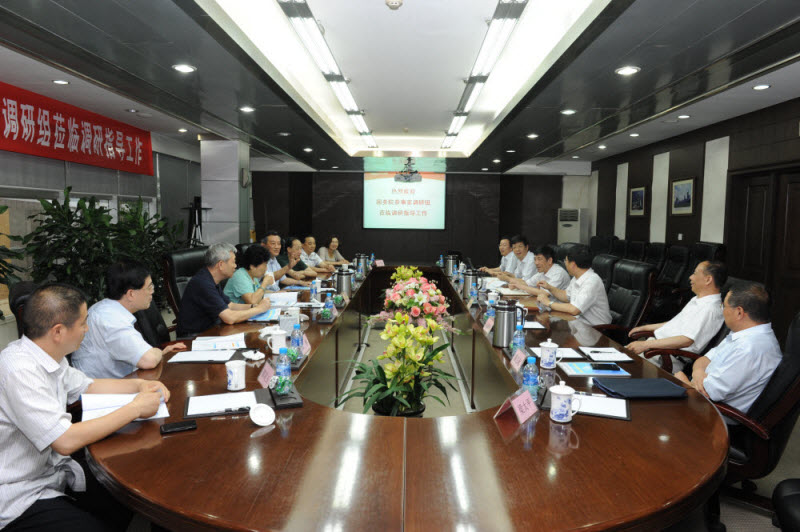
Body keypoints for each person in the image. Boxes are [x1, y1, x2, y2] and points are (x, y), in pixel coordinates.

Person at [0, 283, 170, 531]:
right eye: (83, 323)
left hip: (52, 473)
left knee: (139, 491)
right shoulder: (19, 370)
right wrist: (135, 408)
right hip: (18, 494)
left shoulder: (49, 356)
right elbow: (65, 440)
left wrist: (140, 385)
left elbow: (88, 385)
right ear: (58, 331)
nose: (87, 329)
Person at [675, 282, 781, 414]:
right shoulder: (744, 334)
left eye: (724, 306)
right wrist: (698, 373)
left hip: (712, 414)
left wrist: (682, 380)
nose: (722, 310)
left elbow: (707, 393)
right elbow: (705, 359)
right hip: (699, 398)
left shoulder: (749, 348)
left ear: (739, 312)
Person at [72, 261, 187, 379]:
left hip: (121, 382)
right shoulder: (110, 319)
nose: (152, 291)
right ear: (131, 294)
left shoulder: (105, 308)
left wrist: (160, 353)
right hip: (105, 389)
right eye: (149, 287)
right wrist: (157, 352)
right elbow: (149, 360)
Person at [626, 261, 727, 373]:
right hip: (655, 350)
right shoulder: (698, 300)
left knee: (616, 368)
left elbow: (686, 340)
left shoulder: (710, 309)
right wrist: (644, 328)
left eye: (695, 273)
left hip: (664, 358)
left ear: (708, 280)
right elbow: (674, 324)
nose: (690, 277)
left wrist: (645, 344)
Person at [176, 243, 271, 336]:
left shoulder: (211, 278)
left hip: (212, 329)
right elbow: (229, 318)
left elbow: (230, 305)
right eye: (233, 262)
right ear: (221, 265)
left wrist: (254, 306)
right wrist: (259, 309)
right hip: (194, 337)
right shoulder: (203, 283)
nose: (235, 266)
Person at [536, 249, 611, 326]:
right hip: (578, 322)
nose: (565, 263)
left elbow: (574, 309)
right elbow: (566, 296)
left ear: (573, 264)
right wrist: (550, 288)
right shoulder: (577, 277)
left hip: (596, 328)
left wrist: (548, 303)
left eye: (566, 261)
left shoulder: (592, 281)